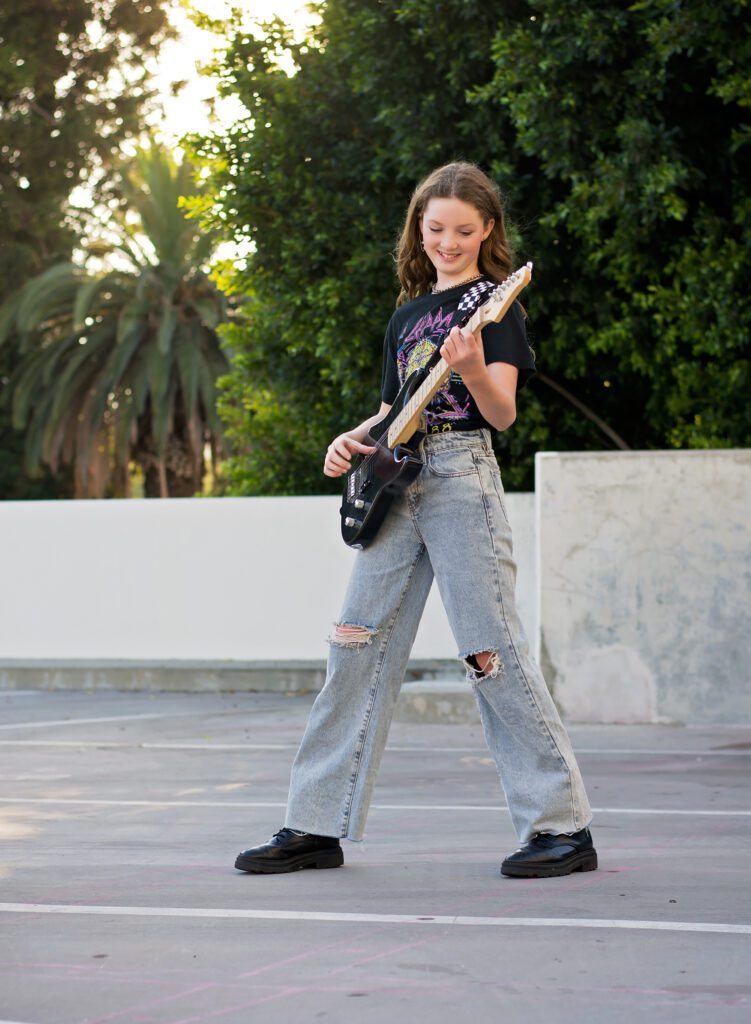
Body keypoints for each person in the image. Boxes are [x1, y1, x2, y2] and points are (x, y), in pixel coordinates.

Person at [235, 161, 597, 879]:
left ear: (487, 230)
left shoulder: (497, 307)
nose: (448, 242)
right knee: (353, 645)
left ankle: (560, 828)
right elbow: (395, 406)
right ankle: (315, 824)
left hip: (461, 478)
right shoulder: (406, 315)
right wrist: (352, 438)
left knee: (488, 653)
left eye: (464, 230)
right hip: (397, 479)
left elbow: (501, 413)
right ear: (418, 229)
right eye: (435, 229)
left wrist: (467, 366)